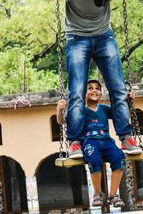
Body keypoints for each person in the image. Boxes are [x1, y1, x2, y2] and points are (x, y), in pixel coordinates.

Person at [44, 0, 142, 158]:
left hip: (105, 36)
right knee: (78, 91)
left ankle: (126, 137)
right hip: (77, 38)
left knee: (118, 88)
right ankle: (75, 142)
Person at [57, 79, 127, 207]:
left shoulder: (104, 109)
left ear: (100, 94)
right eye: (90, 88)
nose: (94, 90)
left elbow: (120, 113)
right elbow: (62, 121)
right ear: (83, 93)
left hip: (106, 141)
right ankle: (98, 193)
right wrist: (59, 110)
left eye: (97, 88)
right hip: (90, 142)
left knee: (119, 158)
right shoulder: (80, 110)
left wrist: (128, 101)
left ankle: (113, 195)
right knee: (95, 161)